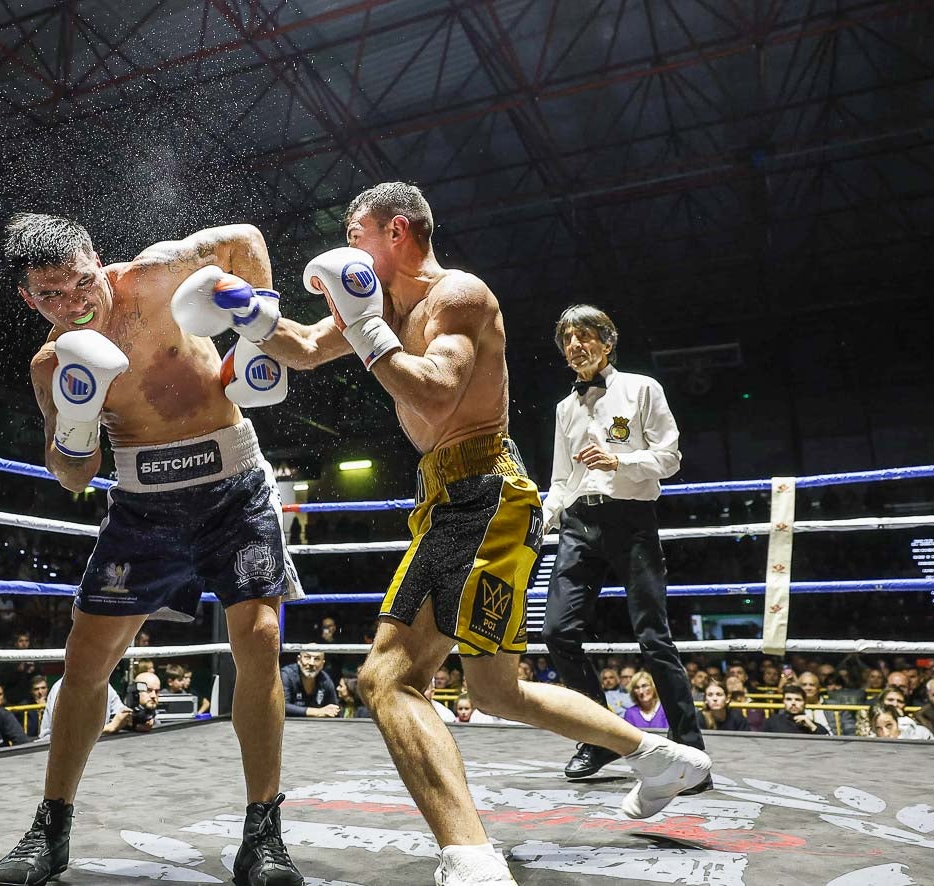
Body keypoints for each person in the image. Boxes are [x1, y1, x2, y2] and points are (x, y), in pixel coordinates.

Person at [253, 182, 710, 884]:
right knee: (497, 691)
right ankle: (657, 756)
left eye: (355, 230)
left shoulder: (455, 294)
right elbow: (305, 349)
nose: (345, 245)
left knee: (386, 678)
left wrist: (366, 328)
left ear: (396, 230)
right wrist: (234, 307)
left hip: (479, 492)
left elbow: (435, 389)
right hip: (464, 495)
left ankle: (469, 857)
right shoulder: (379, 303)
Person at [0, 213, 306, 886]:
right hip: (143, 504)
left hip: (234, 488)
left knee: (259, 637)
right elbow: (72, 476)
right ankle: (51, 825)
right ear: (27, 298)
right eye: (50, 296)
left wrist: (261, 329)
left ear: (95, 259)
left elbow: (247, 237)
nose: (72, 303)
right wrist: (77, 425)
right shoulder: (50, 363)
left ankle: (264, 831)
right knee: (85, 659)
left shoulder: (161, 273)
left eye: (79, 283)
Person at [537, 304, 708, 788]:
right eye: (567, 338)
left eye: (584, 336)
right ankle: (600, 738)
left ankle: (691, 751)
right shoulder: (564, 408)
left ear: (607, 342)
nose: (574, 345)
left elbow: (670, 458)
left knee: (653, 636)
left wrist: (619, 461)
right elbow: (561, 478)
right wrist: (544, 519)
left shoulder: (642, 388)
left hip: (630, 520)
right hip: (578, 523)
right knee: (557, 631)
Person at [281, 651, 339, 718]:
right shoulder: (287, 675)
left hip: (316, 727)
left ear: (322, 664)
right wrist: (317, 712)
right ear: (299, 660)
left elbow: (334, 708)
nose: (311, 663)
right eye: (307, 657)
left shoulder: (325, 680)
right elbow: (282, 706)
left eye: (317, 659)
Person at [765, 685, 831, 735]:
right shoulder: (772, 722)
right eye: (789, 699)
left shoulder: (812, 725)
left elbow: (829, 743)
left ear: (805, 703)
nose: (793, 703)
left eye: (798, 700)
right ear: (783, 702)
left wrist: (812, 727)